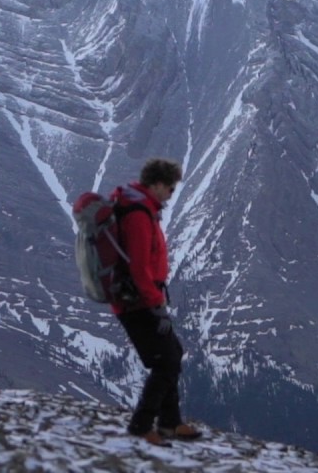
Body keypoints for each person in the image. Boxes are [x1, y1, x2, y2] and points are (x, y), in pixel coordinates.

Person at [112, 157, 203, 446]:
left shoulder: (142, 208)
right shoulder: (138, 215)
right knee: (166, 361)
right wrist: (156, 305)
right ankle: (142, 425)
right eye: (171, 189)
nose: (171, 194)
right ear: (158, 184)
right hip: (136, 300)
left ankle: (170, 422)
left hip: (140, 297)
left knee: (172, 353)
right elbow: (139, 268)